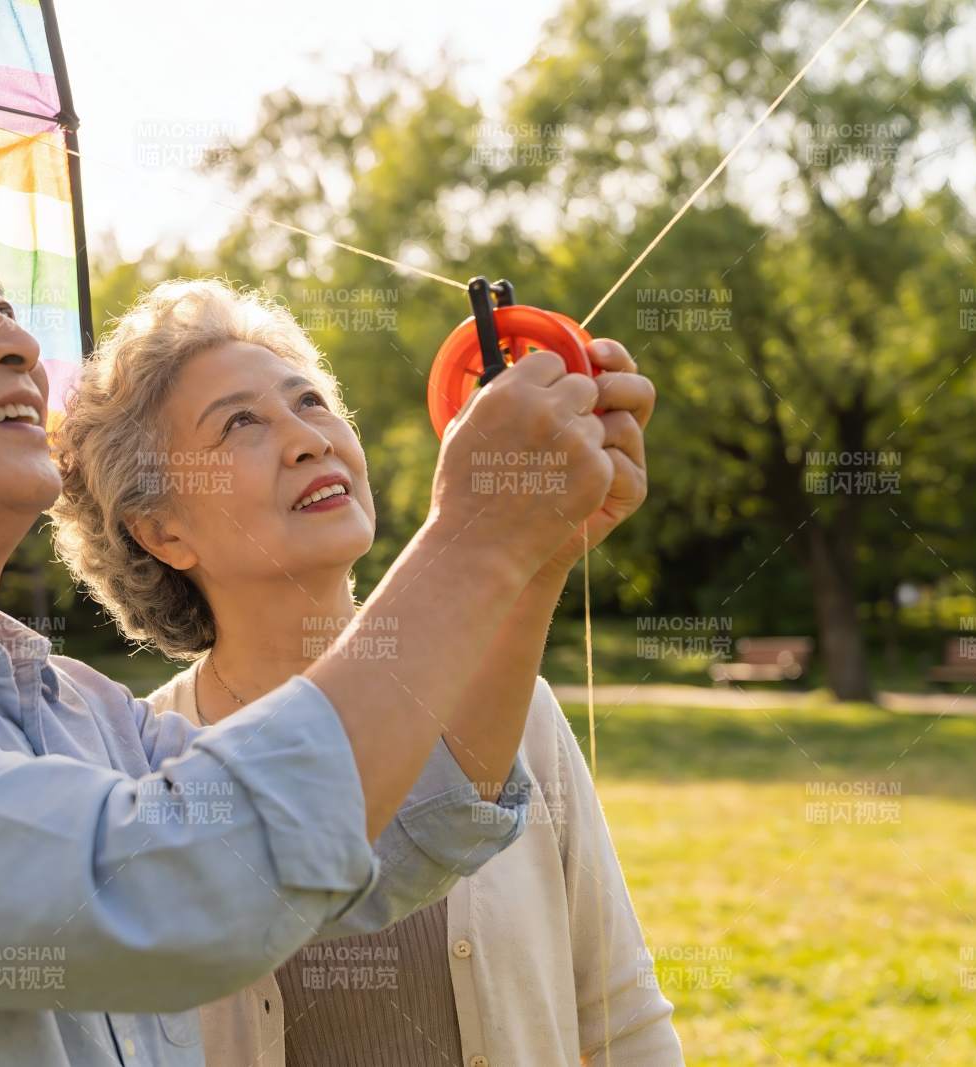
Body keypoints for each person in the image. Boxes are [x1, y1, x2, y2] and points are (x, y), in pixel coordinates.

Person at [0, 156, 629, 1066]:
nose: (13, 342)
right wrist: (476, 536)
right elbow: (178, 885)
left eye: (1, 304)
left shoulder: (73, 707)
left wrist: (530, 553)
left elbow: (388, 837)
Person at [52, 278, 682, 1065]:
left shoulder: (520, 710)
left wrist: (539, 550)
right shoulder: (149, 771)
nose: (307, 437)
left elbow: (621, 1016)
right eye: (240, 422)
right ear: (163, 530)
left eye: (310, 401)